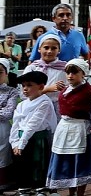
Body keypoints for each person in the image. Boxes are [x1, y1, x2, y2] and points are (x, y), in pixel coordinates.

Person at [46, 58, 91, 194]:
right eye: (68, 73)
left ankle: (80, 192)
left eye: (74, 73)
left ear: (83, 73)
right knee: (66, 160)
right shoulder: (65, 90)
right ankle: (70, 191)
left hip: (80, 128)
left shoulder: (89, 92)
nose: (70, 76)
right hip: (64, 128)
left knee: (79, 162)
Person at [9, 70, 57, 193]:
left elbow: (33, 124)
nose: (25, 89)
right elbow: (16, 124)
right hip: (21, 138)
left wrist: (21, 143)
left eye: (29, 85)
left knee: (38, 164)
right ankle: (24, 187)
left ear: (41, 87)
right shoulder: (22, 105)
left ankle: (39, 188)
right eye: (23, 85)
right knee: (22, 164)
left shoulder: (44, 102)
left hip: (37, 139)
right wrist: (14, 142)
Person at [24, 34, 67, 115]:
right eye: (46, 48)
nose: (49, 51)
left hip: (56, 109)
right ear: (39, 49)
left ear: (59, 50)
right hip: (35, 107)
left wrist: (63, 89)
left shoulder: (64, 69)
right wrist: (47, 89)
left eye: (54, 48)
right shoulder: (32, 68)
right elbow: (24, 94)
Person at [0, 59, 19, 192]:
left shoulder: (12, 91)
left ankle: (2, 183)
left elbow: (8, 113)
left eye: (0, 72)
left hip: (3, 129)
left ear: (6, 73)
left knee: (3, 155)